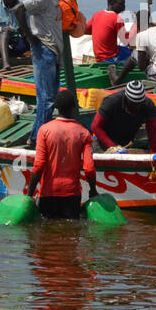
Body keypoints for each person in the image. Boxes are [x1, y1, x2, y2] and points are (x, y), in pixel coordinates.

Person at [14, 0, 70, 146]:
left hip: (52, 52)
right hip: (44, 50)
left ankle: (36, 136)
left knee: (50, 97)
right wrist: (29, 36)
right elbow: (19, 9)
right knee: (46, 99)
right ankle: (40, 139)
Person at [26, 89, 97, 220]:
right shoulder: (84, 133)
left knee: (47, 232)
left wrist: (29, 194)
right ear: (74, 107)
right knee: (71, 234)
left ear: (56, 107)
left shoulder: (44, 130)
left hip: (48, 193)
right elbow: (89, 167)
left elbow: (39, 164)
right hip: (72, 194)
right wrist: (93, 190)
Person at [91, 80, 156, 153]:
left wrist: (155, 153)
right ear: (126, 99)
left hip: (126, 141)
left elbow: (152, 130)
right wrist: (113, 147)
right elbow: (95, 126)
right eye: (133, 104)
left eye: (138, 104)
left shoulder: (147, 105)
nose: (136, 107)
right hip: (105, 140)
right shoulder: (111, 102)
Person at [88, 0, 138, 84]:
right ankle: (117, 77)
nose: (124, 7)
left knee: (125, 50)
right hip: (109, 58)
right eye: (121, 4)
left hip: (98, 55)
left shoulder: (97, 14)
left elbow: (86, 30)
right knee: (136, 56)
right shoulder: (116, 18)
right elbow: (128, 42)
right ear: (111, 4)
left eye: (124, 3)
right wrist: (136, 24)